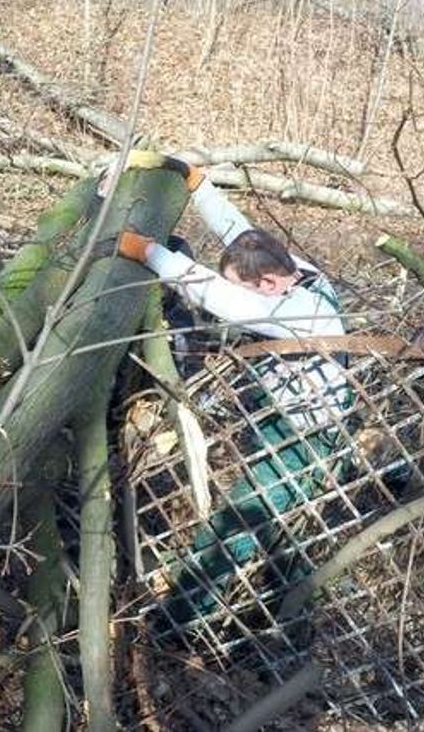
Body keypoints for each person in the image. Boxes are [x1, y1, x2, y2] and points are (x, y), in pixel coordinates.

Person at [109, 156, 352, 623]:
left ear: (268, 283)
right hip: (286, 420)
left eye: (246, 289)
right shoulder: (296, 272)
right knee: (283, 535)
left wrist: (145, 251)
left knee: (237, 527)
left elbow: (212, 294)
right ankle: (281, 623)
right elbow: (240, 235)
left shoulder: (296, 310)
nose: (239, 295)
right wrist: (194, 181)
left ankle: (176, 625)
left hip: (306, 442)